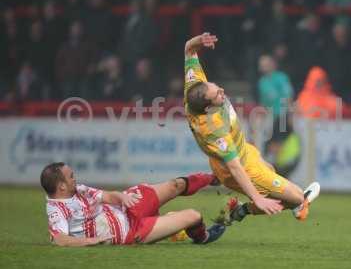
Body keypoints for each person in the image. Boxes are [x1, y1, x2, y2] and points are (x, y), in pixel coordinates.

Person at [183, 33, 320, 223]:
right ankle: (243, 209)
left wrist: (198, 41)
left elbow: (189, 49)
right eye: (217, 95)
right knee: (297, 198)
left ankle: (245, 207)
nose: (221, 90)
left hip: (243, 150)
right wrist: (256, 199)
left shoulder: (194, 87)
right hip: (239, 166)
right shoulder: (213, 130)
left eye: (214, 86)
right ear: (208, 108)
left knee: (271, 169)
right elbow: (235, 167)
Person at [41, 162, 225, 246]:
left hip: (128, 207)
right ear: (61, 186)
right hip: (131, 232)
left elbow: (107, 196)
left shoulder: (77, 189)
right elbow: (59, 239)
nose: (75, 178)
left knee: (174, 185)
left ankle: (213, 177)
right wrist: (88, 241)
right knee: (194, 216)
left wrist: (121, 197)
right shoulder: (56, 209)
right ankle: (203, 236)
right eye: (71, 176)